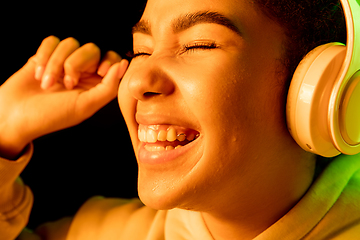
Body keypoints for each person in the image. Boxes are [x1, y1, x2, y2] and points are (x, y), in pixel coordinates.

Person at [1, 0, 359, 239]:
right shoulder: (98, 231)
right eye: (140, 50)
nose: (138, 81)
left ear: (318, 86)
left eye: (199, 44)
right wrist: (4, 127)